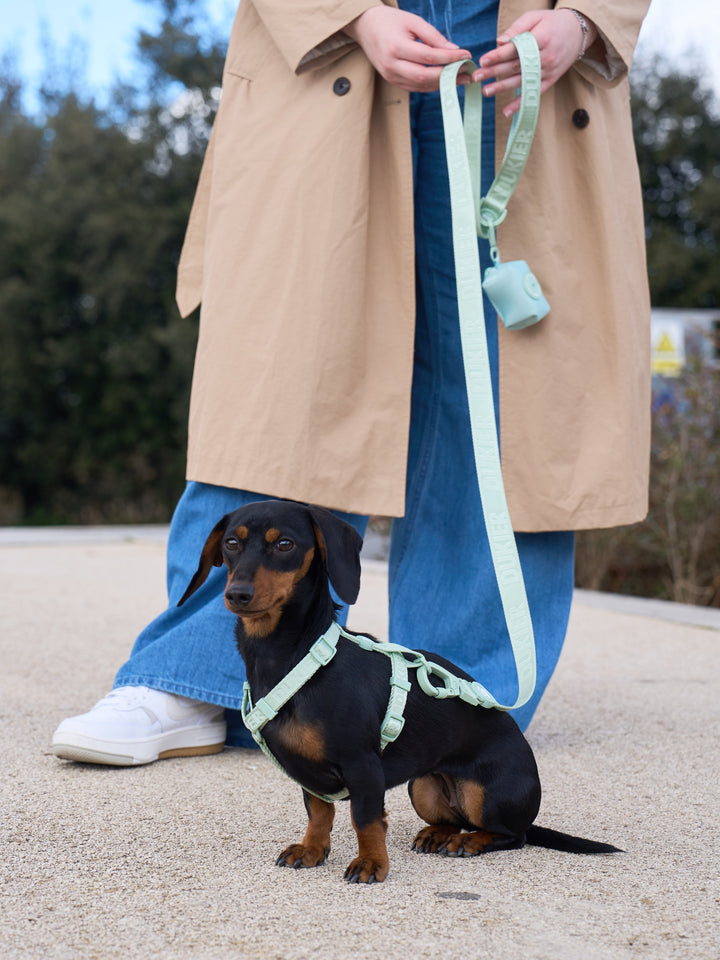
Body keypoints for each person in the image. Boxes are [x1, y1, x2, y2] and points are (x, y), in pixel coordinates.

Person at [52, 0, 651, 765]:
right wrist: (350, 15)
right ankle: (194, 678)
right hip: (330, 57)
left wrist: (587, 18)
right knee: (290, 378)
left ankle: (448, 700)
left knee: (504, 396)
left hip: (519, 66)